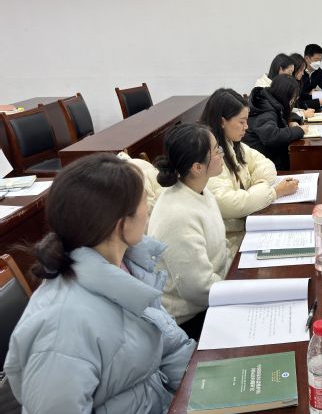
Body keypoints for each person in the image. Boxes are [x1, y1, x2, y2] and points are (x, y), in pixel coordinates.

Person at [4, 153, 195, 413]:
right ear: (121, 224)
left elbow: (170, 347)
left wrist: (206, 385)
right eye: (144, 202)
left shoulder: (127, 269)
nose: (149, 210)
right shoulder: (61, 328)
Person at [148, 123, 233, 339]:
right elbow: (198, 290)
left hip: (216, 292)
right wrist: (237, 291)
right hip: (189, 320)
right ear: (197, 167)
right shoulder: (177, 214)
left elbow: (221, 248)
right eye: (216, 150)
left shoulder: (201, 190)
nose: (222, 153)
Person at [201, 88, 299, 255]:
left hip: (246, 223)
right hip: (228, 240)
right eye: (242, 122)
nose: (246, 127)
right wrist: (273, 192)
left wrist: (257, 187)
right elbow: (231, 204)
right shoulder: (209, 156)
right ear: (223, 121)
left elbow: (266, 165)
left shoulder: (233, 144)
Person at [244, 74, 309, 170]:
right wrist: (299, 130)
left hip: (268, 156)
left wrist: (291, 122)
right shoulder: (265, 111)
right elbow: (271, 136)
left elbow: (280, 119)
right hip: (264, 163)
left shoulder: (269, 100)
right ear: (286, 96)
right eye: (293, 98)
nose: (293, 101)